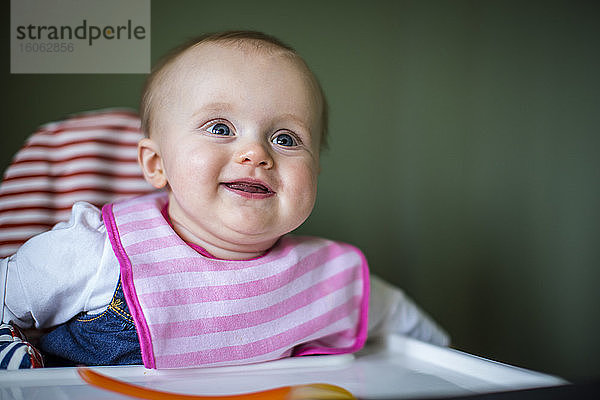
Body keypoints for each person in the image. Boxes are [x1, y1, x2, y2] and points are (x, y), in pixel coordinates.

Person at [0, 31, 448, 369]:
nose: (256, 153)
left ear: (316, 172)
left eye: (286, 138)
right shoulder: (99, 252)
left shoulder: (329, 276)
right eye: (220, 128)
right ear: (156, 164)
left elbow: (420, 340)